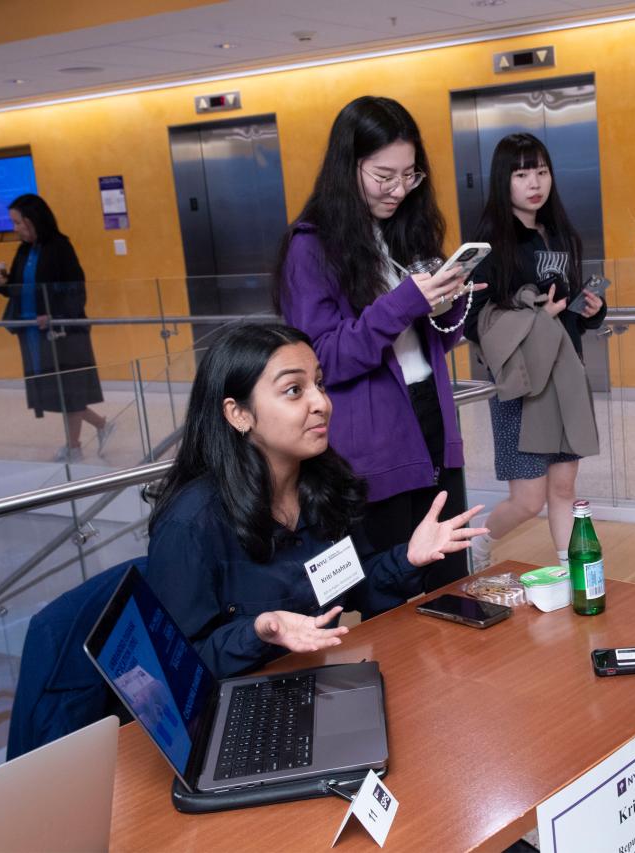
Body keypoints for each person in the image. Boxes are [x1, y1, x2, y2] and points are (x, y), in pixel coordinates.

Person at [144, 323, 486, 679]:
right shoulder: (190, 523)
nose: (322, 403)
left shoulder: (325, 486)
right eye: (294, 390)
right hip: (237, 702)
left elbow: (357, 587)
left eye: (319, 384)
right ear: (238, 414)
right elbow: (175, 668)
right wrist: (256, 632)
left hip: (316, 682)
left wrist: (409, 558)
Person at [275, 96, 475, 596]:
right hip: (372, 439)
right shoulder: (311, 246)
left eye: (410, 175)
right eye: (384, 176)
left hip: (431, 415)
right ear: (348, 167)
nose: (399, 190)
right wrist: (404, 304)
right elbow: (321, 358)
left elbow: (433, 344)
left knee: (451, 577)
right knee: (393, 592)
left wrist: (447, 305)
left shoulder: (406, 231)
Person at [462, 133, 606, 570]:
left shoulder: (562, 234)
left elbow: (568, 309)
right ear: (502, 180)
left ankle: (571, 572)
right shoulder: (490, 245)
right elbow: (473, 320)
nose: (534, 183)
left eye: (541, 172)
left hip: (566, 375)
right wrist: (535, 316)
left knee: (563, 489)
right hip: (522, 384)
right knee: (527, 499)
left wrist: (591, 310)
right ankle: (477, 543)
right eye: (522, 174)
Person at [0, 194, 112, 462]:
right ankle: (102, 425)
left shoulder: (60, 247)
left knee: (69, 390)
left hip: (63, 332)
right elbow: (19, 290)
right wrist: (1, 284)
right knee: (58, 391)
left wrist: (55, 315)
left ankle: (74, 447)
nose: (15, 229)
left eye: (17, 222)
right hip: (34, 333)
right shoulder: (24, 250)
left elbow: (76, 291)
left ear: (33, 221)